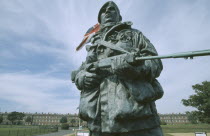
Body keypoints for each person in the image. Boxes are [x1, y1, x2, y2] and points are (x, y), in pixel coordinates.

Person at [72, 1, 164, 136]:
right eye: (104, 10)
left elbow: (155, 63)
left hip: (137, 123)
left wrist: (134, 69)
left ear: (119, 17)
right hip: (98, 126)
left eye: (112, 9)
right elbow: (80, 72)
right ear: (100, 19)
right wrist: (82, 78)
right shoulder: (94, 43)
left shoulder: (134, 35)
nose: (108, 11)